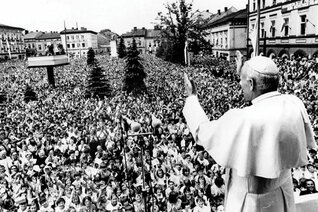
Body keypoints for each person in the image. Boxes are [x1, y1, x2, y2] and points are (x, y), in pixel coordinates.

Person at [182, 51, 317, 212]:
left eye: (241, 80)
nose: (240, 84)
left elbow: (202, 132)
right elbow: (262, 108)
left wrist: (191, 98)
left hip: (253, 203)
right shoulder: (294, 104)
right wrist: (244, 72)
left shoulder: (242, 119)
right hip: (282, 196)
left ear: (251, 84)